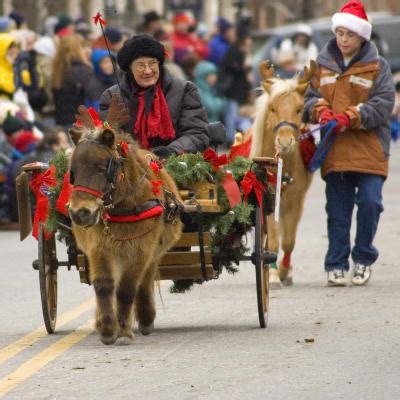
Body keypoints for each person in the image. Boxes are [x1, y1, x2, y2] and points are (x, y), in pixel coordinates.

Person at [303, 0, 395, 286]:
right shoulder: (321, 65)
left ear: (362, 36)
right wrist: (321, 110)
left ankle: (364, 257)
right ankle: (336, 263)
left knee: (370, 204)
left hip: (370, 149)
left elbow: (384, 104)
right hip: (336, 151)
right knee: (338, 211)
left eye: (349, 34)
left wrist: (351, 116)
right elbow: (306, 98)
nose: (343, 40)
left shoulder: (378, 67)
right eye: (339, 33)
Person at [99, 34, 209, 157]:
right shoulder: (111, 96)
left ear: (159, 64)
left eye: (152, 63)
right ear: (129, 69)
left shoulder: (185, 91)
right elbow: (106, 137)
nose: (148, 70)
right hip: (131, 168)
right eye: (140, 65)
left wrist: (171, 151)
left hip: (174, 164)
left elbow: (197, 133)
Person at [52, 34, 96, 127]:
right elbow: (92, 96)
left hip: (63, 121)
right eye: (83, 46)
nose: (88, 49)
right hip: (81, 123)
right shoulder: (83, 70)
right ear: (77, 50)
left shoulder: (58, 69)